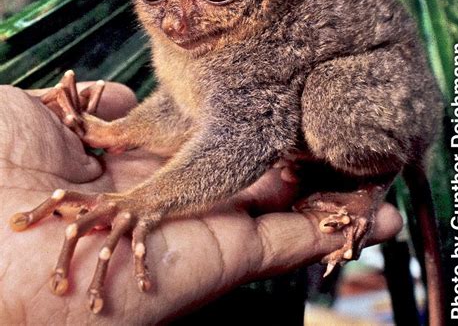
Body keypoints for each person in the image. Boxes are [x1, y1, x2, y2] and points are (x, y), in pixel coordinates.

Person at [0, 83, 402, 324]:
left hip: (349, 115)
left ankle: (366, 184)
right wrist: (114, 132)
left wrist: (146, 200)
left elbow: (247, 139)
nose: (175, 17)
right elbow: (187, 102)